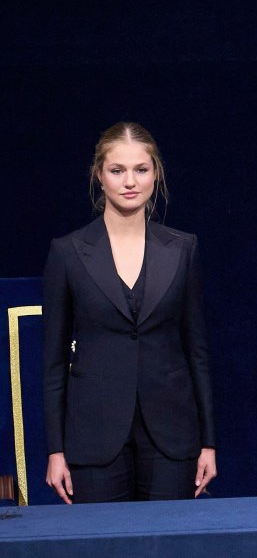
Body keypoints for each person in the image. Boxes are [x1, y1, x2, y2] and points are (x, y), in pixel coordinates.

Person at [42, 123, 217, 503]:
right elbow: (54, 362)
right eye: (117, 170)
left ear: (156, 173)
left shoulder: (183, 249)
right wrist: (56, 451)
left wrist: (208, 443)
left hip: (171, 434)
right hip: (94, 435)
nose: (130, 181)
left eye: (141, 169)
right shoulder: (68, 252)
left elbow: (197, 350)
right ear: (98, 175)